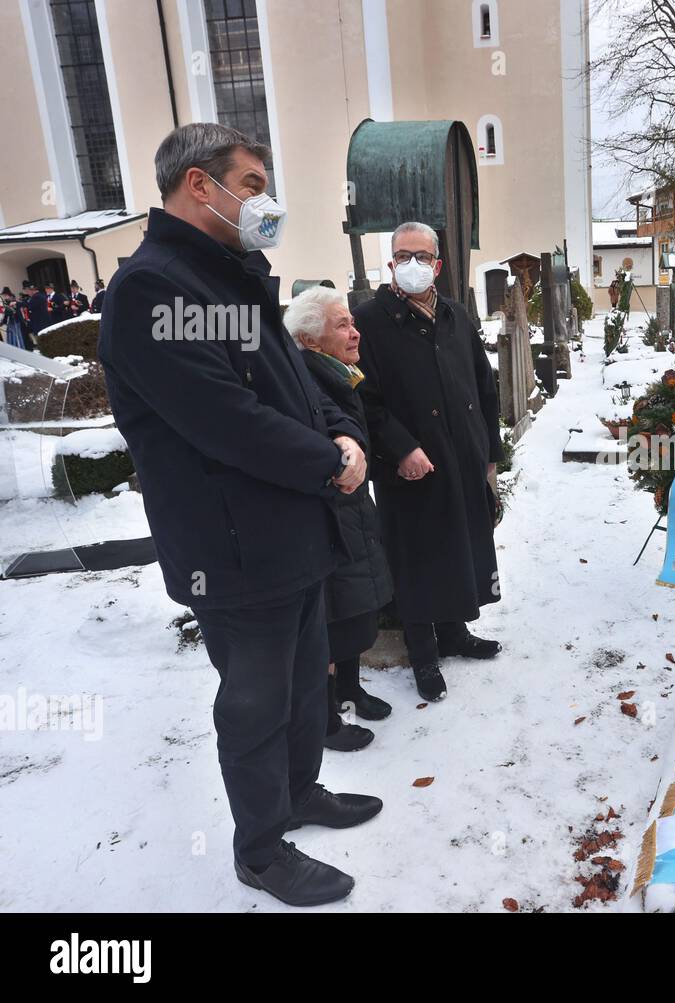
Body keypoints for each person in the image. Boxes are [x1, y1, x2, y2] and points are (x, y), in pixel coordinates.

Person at [98, 122, 382, 907]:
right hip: (232, 546)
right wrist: (331, 464)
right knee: (255, 701)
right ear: (200, 185)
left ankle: (296, 794)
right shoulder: (155, 289)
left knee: (299, 688)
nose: (265, 201)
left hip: (291, 532)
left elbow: (294, 383)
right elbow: (225, 420)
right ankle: (259, 847)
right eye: (252, 184)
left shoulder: (231, 277)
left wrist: (341, 432)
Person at [353, 221, 503, 703]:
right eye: (402, 255)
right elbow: (364, 398)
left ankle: (455, 632)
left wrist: (489, 454)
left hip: (462, 454)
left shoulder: (455, 315)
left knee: (458, 543)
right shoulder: (371, 321)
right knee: (416, 553)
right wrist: (400, 448)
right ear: (391, 262)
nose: (411, 264)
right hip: (408, 466)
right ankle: (422, 653)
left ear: (437, 264)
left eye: (421, 255)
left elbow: (484, 386)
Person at [284, 285, 394, 751]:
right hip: (331, 510)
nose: (355, 332)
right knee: (334, 614)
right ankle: (326, 719)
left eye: (352, 322)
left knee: (355, 603)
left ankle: (349, 686)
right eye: (342, 325)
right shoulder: (308, 379)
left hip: (353, 503)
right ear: (310, 341)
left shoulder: (341, 372)